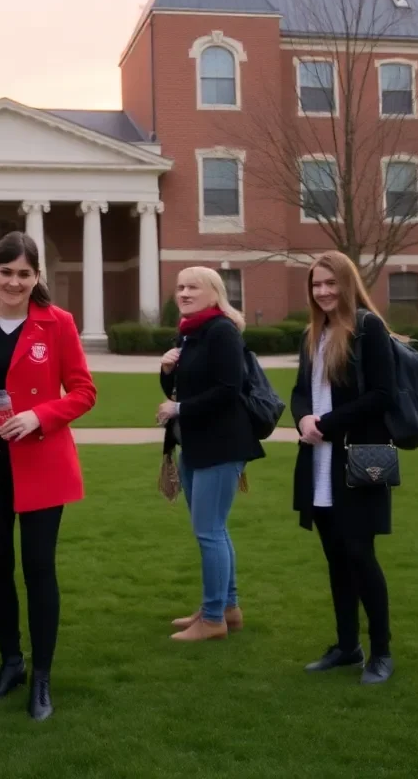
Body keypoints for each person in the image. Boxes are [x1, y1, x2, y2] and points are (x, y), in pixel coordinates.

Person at [0, 231, 96, 721]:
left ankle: (43, 676)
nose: (14, 281)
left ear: (36, 277)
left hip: (42, 462)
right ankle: (12, 663)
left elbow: (84, 390)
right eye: (6, 272)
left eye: (24, 274)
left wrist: (41, 416)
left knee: (38, 567)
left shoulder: (58, 323)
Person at [290, 251, 398, 685]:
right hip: (318, 462)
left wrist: (327, 425)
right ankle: (347, 645)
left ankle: (382, 652)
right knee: (336, 558)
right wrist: (302, 419)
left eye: (331, 283)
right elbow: (300, 392)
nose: (323, 291)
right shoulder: (313, 333)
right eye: (316, 285)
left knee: (360, 555)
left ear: (347, 283)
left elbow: (383, 395)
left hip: (356, 461)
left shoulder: (368, 328)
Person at [157, 266, 265, 642]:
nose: (184, 293)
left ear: (214, 293)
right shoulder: (190, 332)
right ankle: (226, 608)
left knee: (209, 531)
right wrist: (167, 369)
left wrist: (179, 410)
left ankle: (214, 618)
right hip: (197, 445)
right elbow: (181, 386)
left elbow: (227, 389)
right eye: (180, 287)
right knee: (213, 530)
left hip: (222, 444)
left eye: (192, 287)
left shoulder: (221, 331)